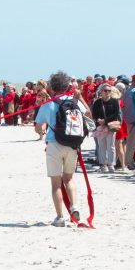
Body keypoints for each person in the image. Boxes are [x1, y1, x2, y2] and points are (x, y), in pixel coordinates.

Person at [36, 72, 85, 225]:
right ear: (66, 87)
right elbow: (88, 114)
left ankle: (60, 217)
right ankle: (74, 206)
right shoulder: (74, 102)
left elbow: (38, 127)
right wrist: (79, 97)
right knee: (69, 179)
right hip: (72, 145)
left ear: (51, 87)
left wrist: (42, 129)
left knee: (56, 183)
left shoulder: (48, 104)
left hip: (54, 144)